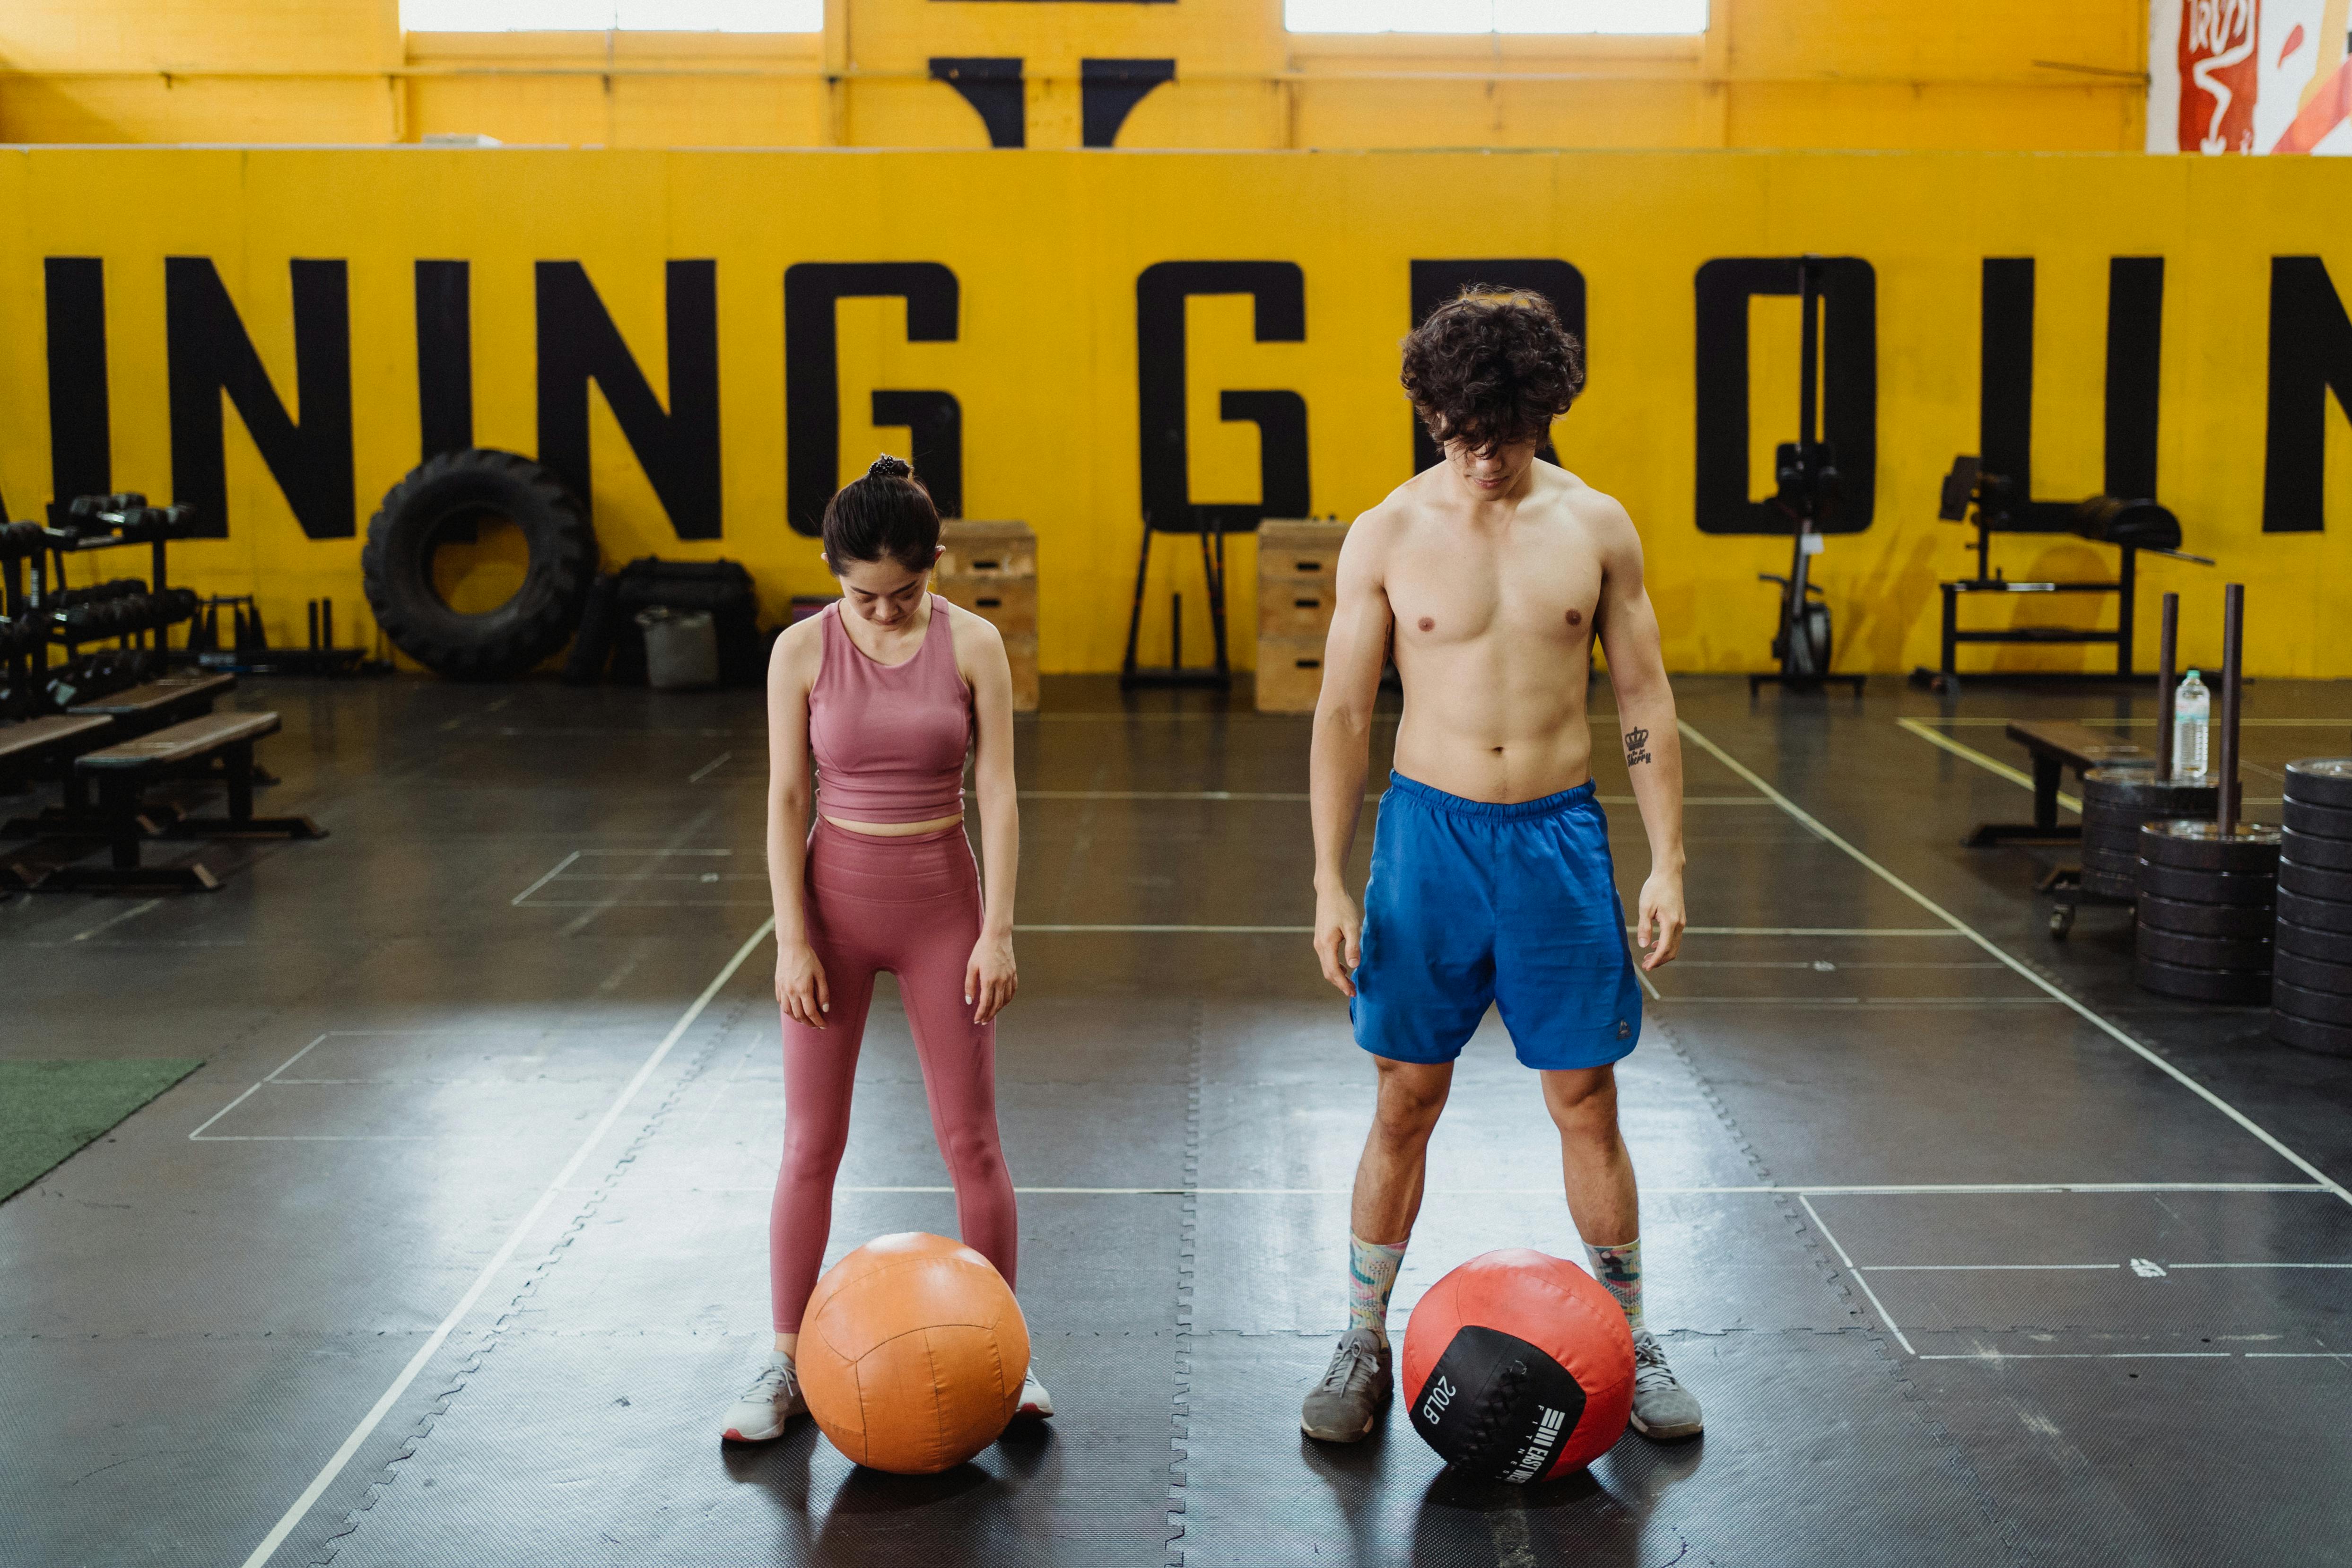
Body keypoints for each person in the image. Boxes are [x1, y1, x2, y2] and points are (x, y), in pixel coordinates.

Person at [1297, 288, 1701, 1446]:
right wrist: (1329, 879)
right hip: (1429, 841)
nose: (1486, 457)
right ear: (1433, 416)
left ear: (1544, 414)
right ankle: (1364, 1337)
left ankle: (1629, 1331)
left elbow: (1643, 697)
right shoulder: (1385, 532)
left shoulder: (1597, 526)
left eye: (1510, 435)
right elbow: (1338, 712)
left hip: (1559, 844)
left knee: (1586, 1099)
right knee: (1404, 1096)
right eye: (1465, 434)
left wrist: (1667, 859)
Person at [721, 454, 1049, 1442]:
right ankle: (784, 1361)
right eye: (865, 593)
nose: (888, 611)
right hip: (833, 906)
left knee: (973, 1140)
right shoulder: (801, 652)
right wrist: (792, 939)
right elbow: (785, 799)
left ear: (935, 563)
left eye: (907, 591)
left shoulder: (976, 642)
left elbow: (997, 792)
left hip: (942, 903)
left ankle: (1009, 1354)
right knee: (810, 1143)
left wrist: (997, 930)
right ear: (833, 573)